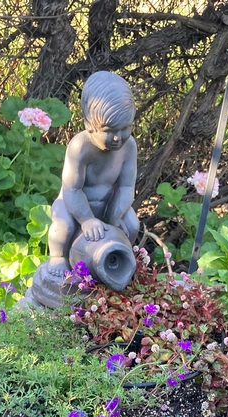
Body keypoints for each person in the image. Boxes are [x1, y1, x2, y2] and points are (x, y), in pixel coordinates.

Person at [45, 71, 139, 280]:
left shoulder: (128, 147)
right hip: (74, 205)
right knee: (63, 225)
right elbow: (72, 189)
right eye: (108, 130)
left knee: (131, 224)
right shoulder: (80, 147)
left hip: (108, 204)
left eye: (125, 128)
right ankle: (58, 257)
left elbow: (125, 187)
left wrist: (116, 214)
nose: (118, 137)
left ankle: (118, 258)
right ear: (89, 125)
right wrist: (86, 220)